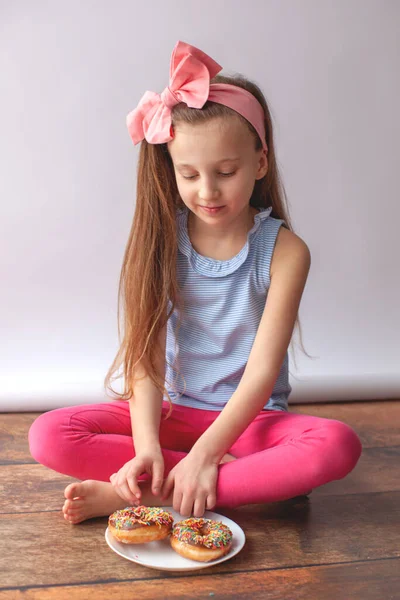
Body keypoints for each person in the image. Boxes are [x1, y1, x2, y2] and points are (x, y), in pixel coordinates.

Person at [28, 40, 362, 525]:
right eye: (189, 174)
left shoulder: (286, 252)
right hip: (173, 417)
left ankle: (149, 495)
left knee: (337, 445)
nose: (207, 191)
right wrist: (146, 447)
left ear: (260, 163)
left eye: (226, 172)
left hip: (249, 422)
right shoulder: (162, 242)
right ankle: (226, 481)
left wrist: (210, 451)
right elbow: (145, 358)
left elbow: (262, 371)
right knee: (49, 434)